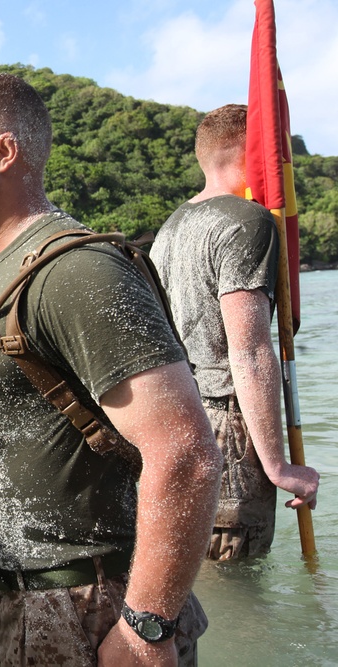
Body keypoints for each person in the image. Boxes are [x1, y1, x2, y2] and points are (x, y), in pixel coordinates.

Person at [0, 73, 223, 666]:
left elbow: (186, 452)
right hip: (33, 605)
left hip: (93, 607)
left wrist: (145, 630)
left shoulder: (78, 273)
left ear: (4, 152)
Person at [150, 104, 319, 562]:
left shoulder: (172, 227)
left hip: (174, 416)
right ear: (257, 151)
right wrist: (277, 464)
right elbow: (248, 350)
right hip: (227, 426)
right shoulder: (248, 220)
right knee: (234, 577)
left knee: (194, 579)